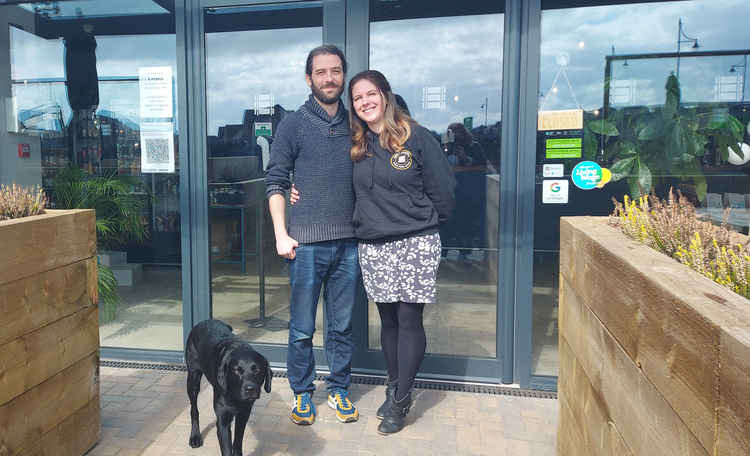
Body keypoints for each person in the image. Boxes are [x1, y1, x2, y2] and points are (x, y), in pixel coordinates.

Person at [349, 70, 455, 434]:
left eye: (370, 94)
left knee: (409, 320)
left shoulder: (416, 136)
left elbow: (444, 190)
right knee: (388, 322)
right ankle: (394, 384)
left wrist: (423, 224)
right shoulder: (358, 145)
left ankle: (401, 399)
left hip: (415, 242)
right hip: (374, 245)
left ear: (386, 95)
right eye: (358, 98)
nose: (365, 102)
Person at [264, 44, 360, 426]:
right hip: (303, 245)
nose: (329, 78)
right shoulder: (293, 123)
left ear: (343, 75)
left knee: (342, 326)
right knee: (302, 327)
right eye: (321, 72)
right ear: (309, 79)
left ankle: (338, 390)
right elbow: (275, 180)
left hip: (349, 244)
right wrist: (280, 234)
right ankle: (302, 394)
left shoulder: (356, 124)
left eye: (336, 71)